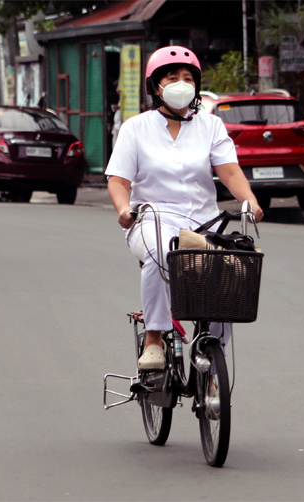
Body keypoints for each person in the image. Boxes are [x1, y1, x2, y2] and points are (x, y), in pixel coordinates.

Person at [106, 46, 264, 370]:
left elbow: (229, 172)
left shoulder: (211, 126)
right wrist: (123, 209)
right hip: (152, 219)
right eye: (172, 77)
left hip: (205, 222)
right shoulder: (135, 128)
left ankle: (213, 356)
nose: (181, 83)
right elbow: (118, 180)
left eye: (188, 78)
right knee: (163, 252)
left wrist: (249, 200)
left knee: (229, 269)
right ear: (156, 86)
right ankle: (154, 338)